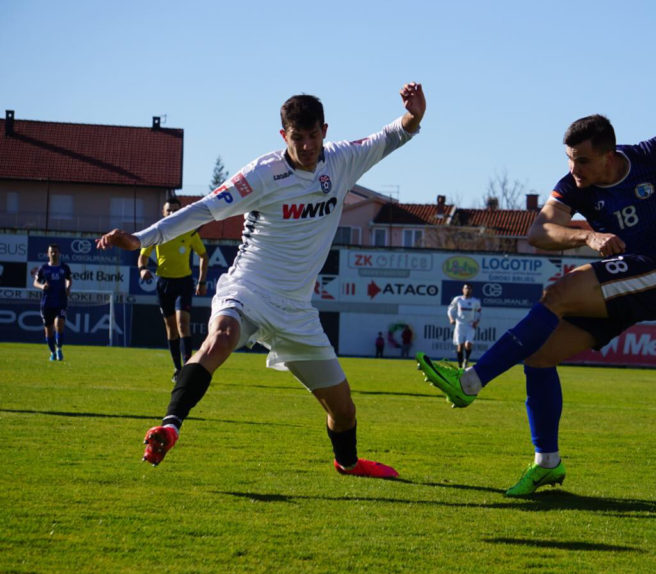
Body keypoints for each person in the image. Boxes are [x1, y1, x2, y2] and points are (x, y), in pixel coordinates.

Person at [97, 83, 426, 478]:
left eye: (313, 136)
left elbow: (392, 135)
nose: (306, 146)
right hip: (248, 289)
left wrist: (414, 114)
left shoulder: (342, 161)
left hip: (296, 312)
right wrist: (141, 239)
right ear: (283, 135)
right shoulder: (262, 174)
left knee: (343, 410)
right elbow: (202, 210)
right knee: (218, 338)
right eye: (297, 137)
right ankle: (169, 426)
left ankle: (349, 463)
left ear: (325, 130)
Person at [417, 114, 656, 496]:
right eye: (569, 159)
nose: (574, 169)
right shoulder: (574, 186)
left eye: (583, 161)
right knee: (539, 356)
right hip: (621, 283)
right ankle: (547, 463)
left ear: (609, 155)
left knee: (557, 295)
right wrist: (586, 237)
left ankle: (470, 382)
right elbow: (540, 231)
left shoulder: (647, 156)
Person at [138, 196, 210, 381]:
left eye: (175, 210)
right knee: (171, 328)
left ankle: (188, 368)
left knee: (182, 323)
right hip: (164, 284)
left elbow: (204, 256)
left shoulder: (189, 231)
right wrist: (142, 269)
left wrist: (201, 282)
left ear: (180, 211)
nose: (171, 213)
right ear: (163, 212)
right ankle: (178, 369)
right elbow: (142, 257)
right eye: (168, 210)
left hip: (184, 283)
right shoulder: (157, 232)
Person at [32, 243, 72, 361]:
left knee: (59, 324)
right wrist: (42, 286)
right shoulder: (43, 268)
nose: (53, 253)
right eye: (51, 251)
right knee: (48, 332)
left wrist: (68, 288)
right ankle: (52, 352)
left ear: (59, 253)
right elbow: (35, 283)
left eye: (55, 251)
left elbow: (69, 279)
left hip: (61, 301)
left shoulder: (64, 267)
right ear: (48, 253)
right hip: (47, 303)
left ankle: (59, 349)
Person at [447, 282, 482, 368]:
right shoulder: (458, 299)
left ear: (471, 290)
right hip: (460, 325)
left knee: (468, 344)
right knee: (460, 346)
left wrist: (476, 322)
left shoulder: (475, 301)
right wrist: (451, 318)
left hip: (470, 325)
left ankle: (466, 360)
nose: (467, 290)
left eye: (469, 288)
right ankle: (460, 365)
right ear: (463, 289)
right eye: (466, 288)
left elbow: (479, 312)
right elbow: (450, 309)